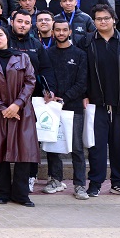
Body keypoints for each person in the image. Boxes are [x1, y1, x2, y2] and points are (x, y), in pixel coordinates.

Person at [85, 3, 120, 198]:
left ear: (114, 20)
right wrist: (84, 95)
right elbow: (81, 72)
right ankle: (95, 182)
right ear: (94, 22)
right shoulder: (87, 42)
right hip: (96, 104)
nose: (102, 21)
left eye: (106, 18)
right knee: (96, 146)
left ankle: (118, 182)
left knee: (119, 145)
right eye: (98, 19)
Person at [0, 26, 41, 206]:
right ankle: (3, 192)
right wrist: (1, 107)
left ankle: (21, 194)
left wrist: (17, 104)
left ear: (7, 36)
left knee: (24, 152)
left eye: (0, 35)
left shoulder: (23, 57)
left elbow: (31, 82)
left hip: (21, 111)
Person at [43, 18, 89, 198]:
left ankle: (79, 185)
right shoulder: (48, 53)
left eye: (64, 30)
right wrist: (50, 93)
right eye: (58, 30)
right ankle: (55, 179)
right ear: (53, 32)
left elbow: (82, 82)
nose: (61, 33)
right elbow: (45, 77)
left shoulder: (80, 54)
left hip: (74, 107)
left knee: (77, 147)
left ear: (70, 32)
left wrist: (66, 98)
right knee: (53, 146)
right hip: (53, 107)